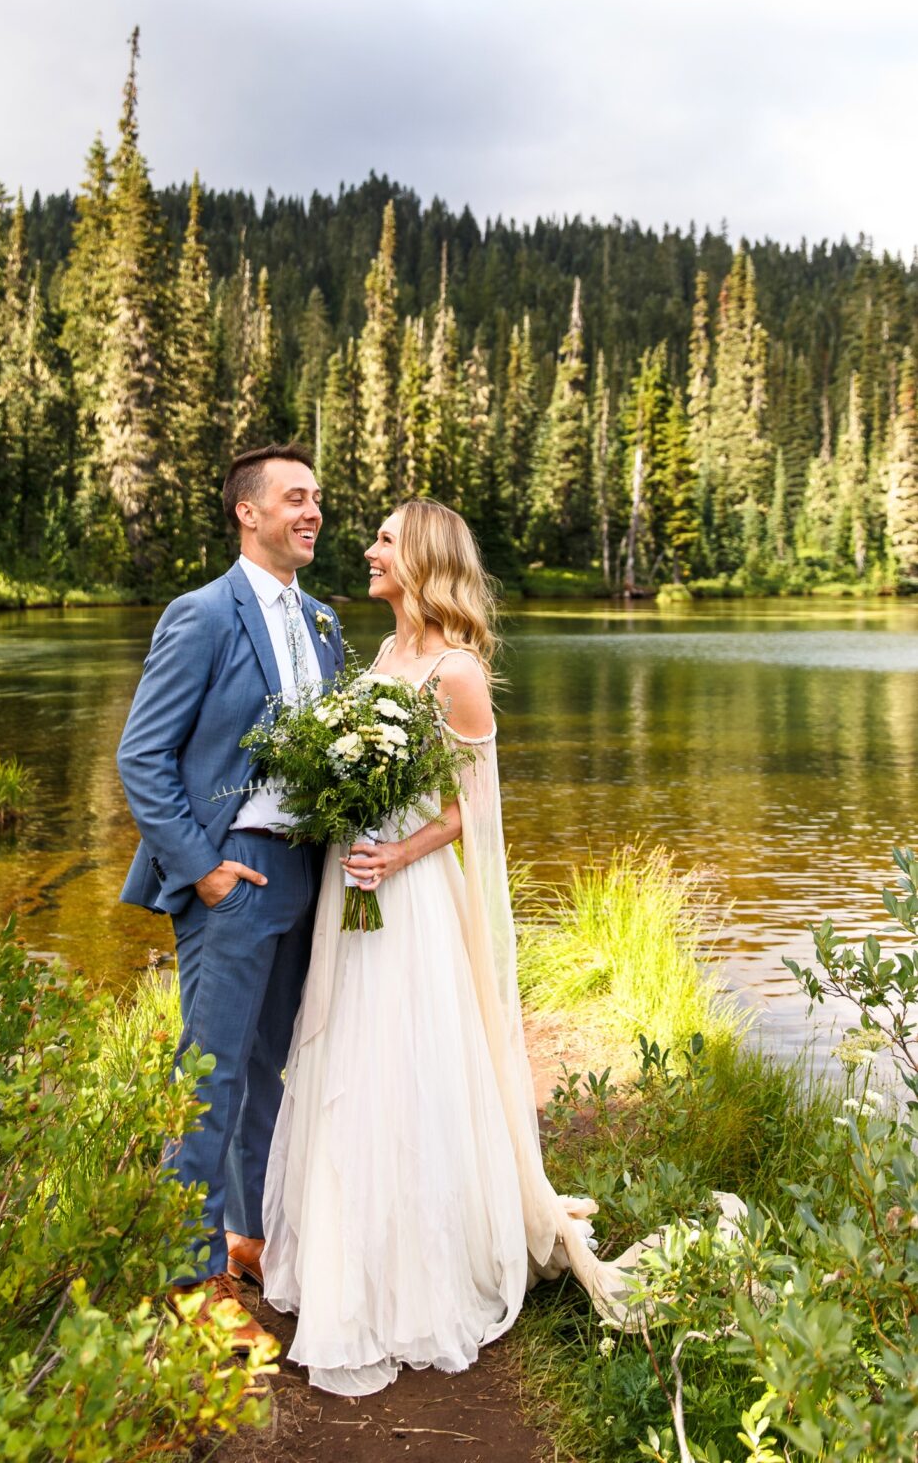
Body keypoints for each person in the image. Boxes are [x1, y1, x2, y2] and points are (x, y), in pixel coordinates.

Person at [261, 498, 629, 1395]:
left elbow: (476, 809)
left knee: (406, 1065)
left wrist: (397, 850)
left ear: (421, 558)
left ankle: (421, 1274)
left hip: (410, 893)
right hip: (354, 885)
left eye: (384, 539)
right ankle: (348, 1252)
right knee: (344, 1061)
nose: (368, 549)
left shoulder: (457, 670)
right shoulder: (385, 653)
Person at [116, 442, 345, 1349]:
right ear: (248, 512)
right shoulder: (201, 615)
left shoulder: (325, 623)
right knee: (207, 1077)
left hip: (307, 870)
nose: (312, 511)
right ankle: (186, 1279)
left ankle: (248, 1239)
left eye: (318, 498)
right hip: (233, 874)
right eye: (295, 498)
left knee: (271, 1070)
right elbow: (143, 754)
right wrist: (204, 868)